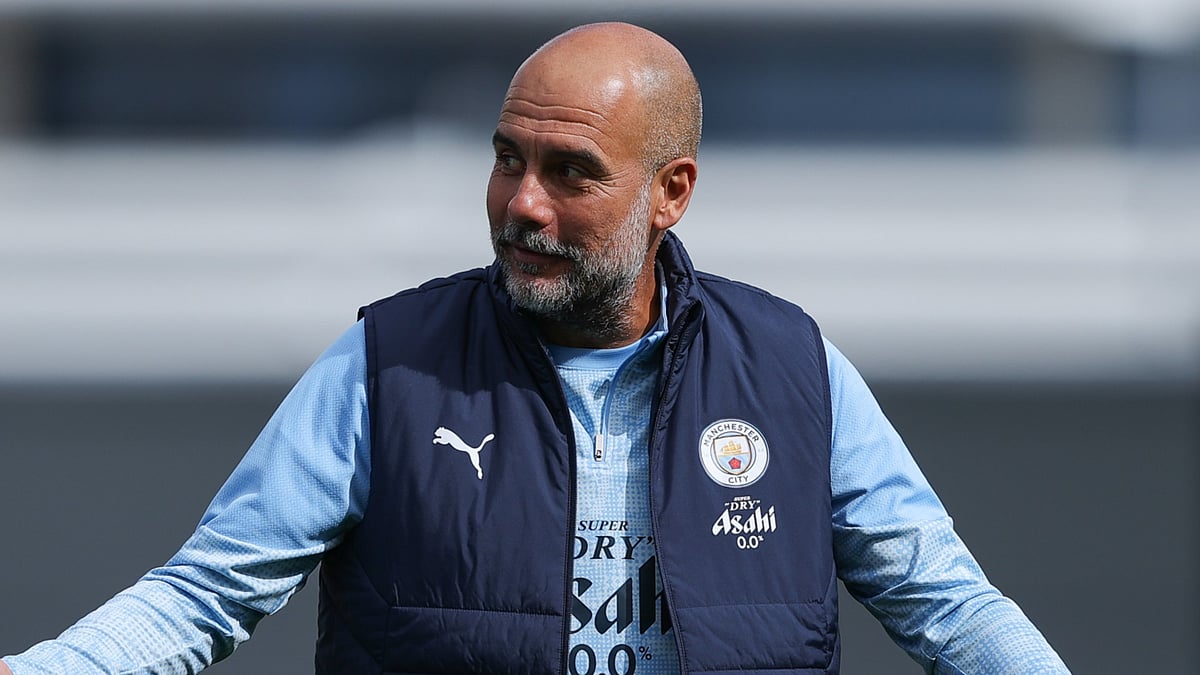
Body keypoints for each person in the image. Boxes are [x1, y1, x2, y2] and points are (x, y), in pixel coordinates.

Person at [1, 22, 1070, 675]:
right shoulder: (387, 363)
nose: (522, 205)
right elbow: (202, 597)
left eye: (571, 172)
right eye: (508, 159)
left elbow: (947, 604)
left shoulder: (792, 369)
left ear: (672, 193)